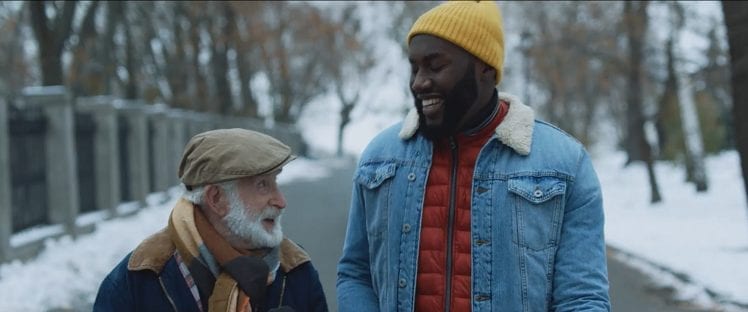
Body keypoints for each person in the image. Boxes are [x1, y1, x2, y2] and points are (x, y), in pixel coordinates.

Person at [336, 1, 610, 311]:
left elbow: (582, 298)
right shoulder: (379, 158)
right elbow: (355, 274)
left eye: (435, 66)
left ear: (485, 70)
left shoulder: (563, 164)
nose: (418, 82)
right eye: (415, 67)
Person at [95, 128, 328, 312]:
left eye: (275, 182)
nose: (280, 201)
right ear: (216, 199)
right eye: (262, 185)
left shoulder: (296, 270)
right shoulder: (138, 279)